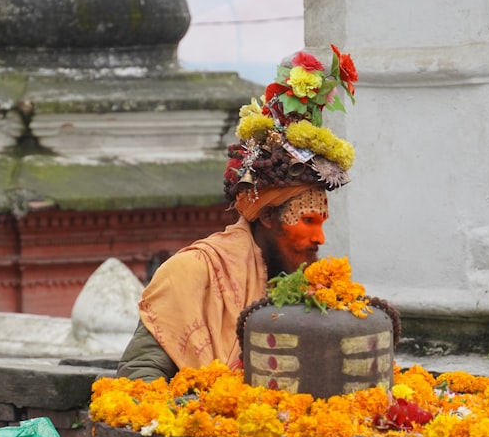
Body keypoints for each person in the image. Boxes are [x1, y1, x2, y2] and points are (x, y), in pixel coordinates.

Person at [117, 47, 359, 382]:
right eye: (307, 221)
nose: (319, 238)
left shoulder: (312, 289)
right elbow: (138, 377)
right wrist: (211, 407)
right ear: (267, 217)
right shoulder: (191, 271)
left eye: (321, 223)